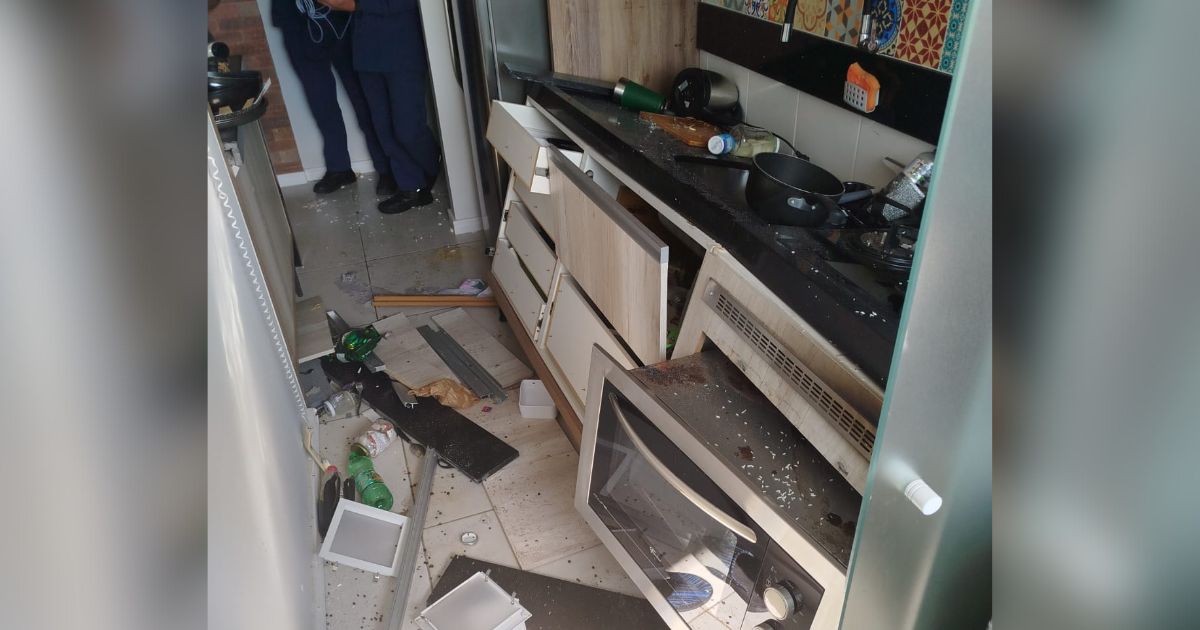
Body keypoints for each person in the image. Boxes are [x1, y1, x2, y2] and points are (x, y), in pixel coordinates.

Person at [322, 0, 441, 214]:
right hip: (366, 52)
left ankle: (433, 161)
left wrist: (356, 4)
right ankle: (411, 188)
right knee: (383, 126)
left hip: (403, 49)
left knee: (408, 128)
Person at [270, 0, 398, 196]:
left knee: (365, 100)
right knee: (321, 103)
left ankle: (387, 167)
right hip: (296, 22)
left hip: (345, 17)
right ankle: (339, 168)